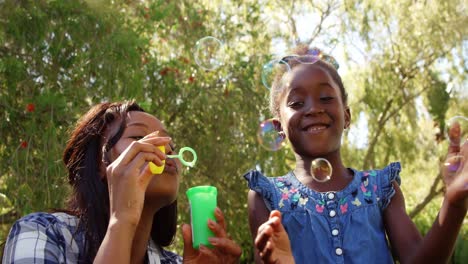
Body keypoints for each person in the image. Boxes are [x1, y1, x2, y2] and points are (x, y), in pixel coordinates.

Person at [244, 45, 468, 263]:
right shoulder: (266, 197)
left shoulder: (380, 189)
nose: (313, 108)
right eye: (296, 102)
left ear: (347, 115)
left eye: (326, 98)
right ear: (278, 128)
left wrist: (454, 203)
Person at [3, 101, 242, 263]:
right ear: (99, 163)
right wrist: (122, 220)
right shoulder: (42, 233)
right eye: (139, 137)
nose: (167, 148)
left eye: (172, 146)